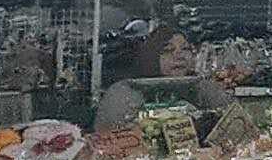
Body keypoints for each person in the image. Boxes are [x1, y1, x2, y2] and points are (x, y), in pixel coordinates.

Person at [94, 23, 233, 134]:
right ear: (151, 58)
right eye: (168, 51)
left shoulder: (202, 88)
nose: (180, 56)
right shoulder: (126, 92)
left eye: (185, 49)